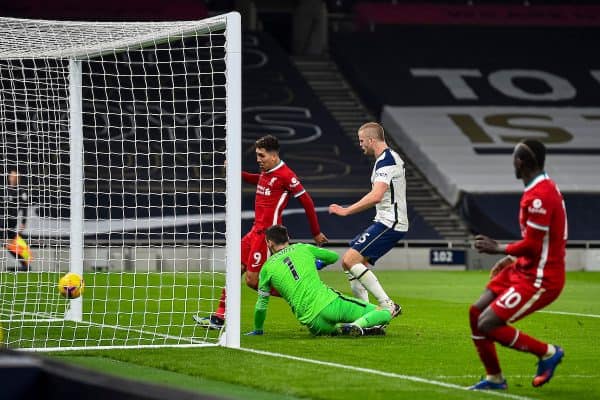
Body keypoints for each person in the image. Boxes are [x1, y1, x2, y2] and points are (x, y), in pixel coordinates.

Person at [194, 135, 328, 329]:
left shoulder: (286, 175)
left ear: (274, 156)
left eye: (261, 155)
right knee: (234, 268)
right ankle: (219, 318)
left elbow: (307, 201)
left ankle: (303, 294)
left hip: (268, 236)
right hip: (254, 232)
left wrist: (315, 232)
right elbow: (259, 180)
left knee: (252, 280)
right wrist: (236, 173)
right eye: (257, 155)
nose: (258, 159)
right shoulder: (267, 172)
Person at [468, 139, 567, 390]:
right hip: (524, 267)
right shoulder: (540, 189)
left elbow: (534, 245)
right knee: (476, 312)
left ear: (520, 162)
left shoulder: (540, 196)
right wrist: (511, 258)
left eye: (514, 158)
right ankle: (494, 379)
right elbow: (538, 241)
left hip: (541, 278)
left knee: (488, 323)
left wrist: (498, 248)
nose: (513, 162)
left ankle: (547, 352)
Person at [246, 224, 393, 336]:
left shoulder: (266, 268)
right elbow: (333, 257)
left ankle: (346, 329)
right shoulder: (303, 248)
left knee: (336, 330)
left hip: (312, 322)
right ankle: (356, 325)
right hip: (329, 304)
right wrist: (318, 263)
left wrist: (258, 330)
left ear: (269, 243)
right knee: (385, 312)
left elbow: (261, 305)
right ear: (288, 238)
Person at [328, 122, 404, 317]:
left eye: (361, 140)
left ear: (371, 140)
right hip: (385, 220)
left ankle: (387, 305)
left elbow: (376, 195)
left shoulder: (387, 161)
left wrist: (346, 211)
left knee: (350, 259)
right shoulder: (385, 159)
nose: (360, 144)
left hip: (391, 222)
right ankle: (366, 313)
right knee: (347, 264)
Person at [1, 168, 30, 271]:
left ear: (18, 178)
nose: (11, 178)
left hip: (10, 221)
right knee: (8, 244)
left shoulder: (20, 191)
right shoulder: (5, 190)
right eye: (11, 176)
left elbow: (24, 207)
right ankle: (24, 264)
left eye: (14, 176)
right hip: (3, 220)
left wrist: (23, 222)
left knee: (8, 243)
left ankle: (24, 264)